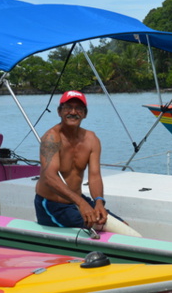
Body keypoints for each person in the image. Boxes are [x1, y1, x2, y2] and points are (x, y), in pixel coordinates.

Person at [34, 90, 118, 231]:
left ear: (85, 114)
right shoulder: (51, 138)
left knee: (119, 225)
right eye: (68, 108)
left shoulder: (91, 139)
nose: (73, 112)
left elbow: (95, 176)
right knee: (102, 227)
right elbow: (50, 177)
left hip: (77, 202)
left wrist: (98, 202)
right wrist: (81, 204)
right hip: (52, 205)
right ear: (59, 111)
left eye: (78, 109)